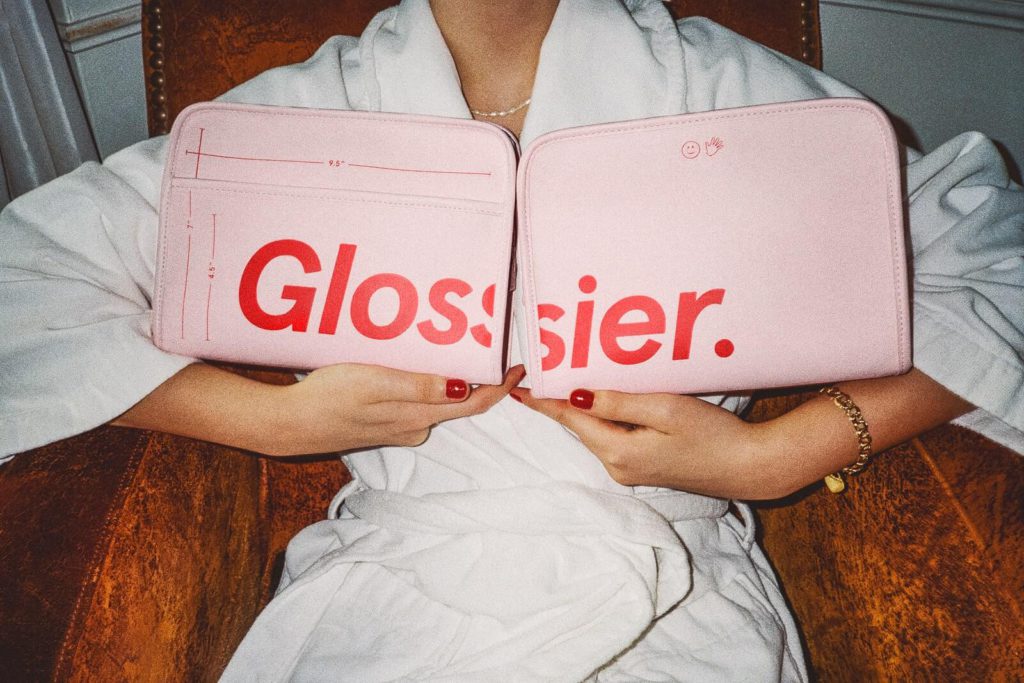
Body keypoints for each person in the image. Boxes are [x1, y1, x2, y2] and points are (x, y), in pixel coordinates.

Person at [1, 0, 1021, 679]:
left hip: (676, 594)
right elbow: (25, 278)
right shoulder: (304, 114)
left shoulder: (729, 89)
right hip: (393, 589)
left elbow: (993, 258)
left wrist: (778, 453)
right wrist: (272, 421)